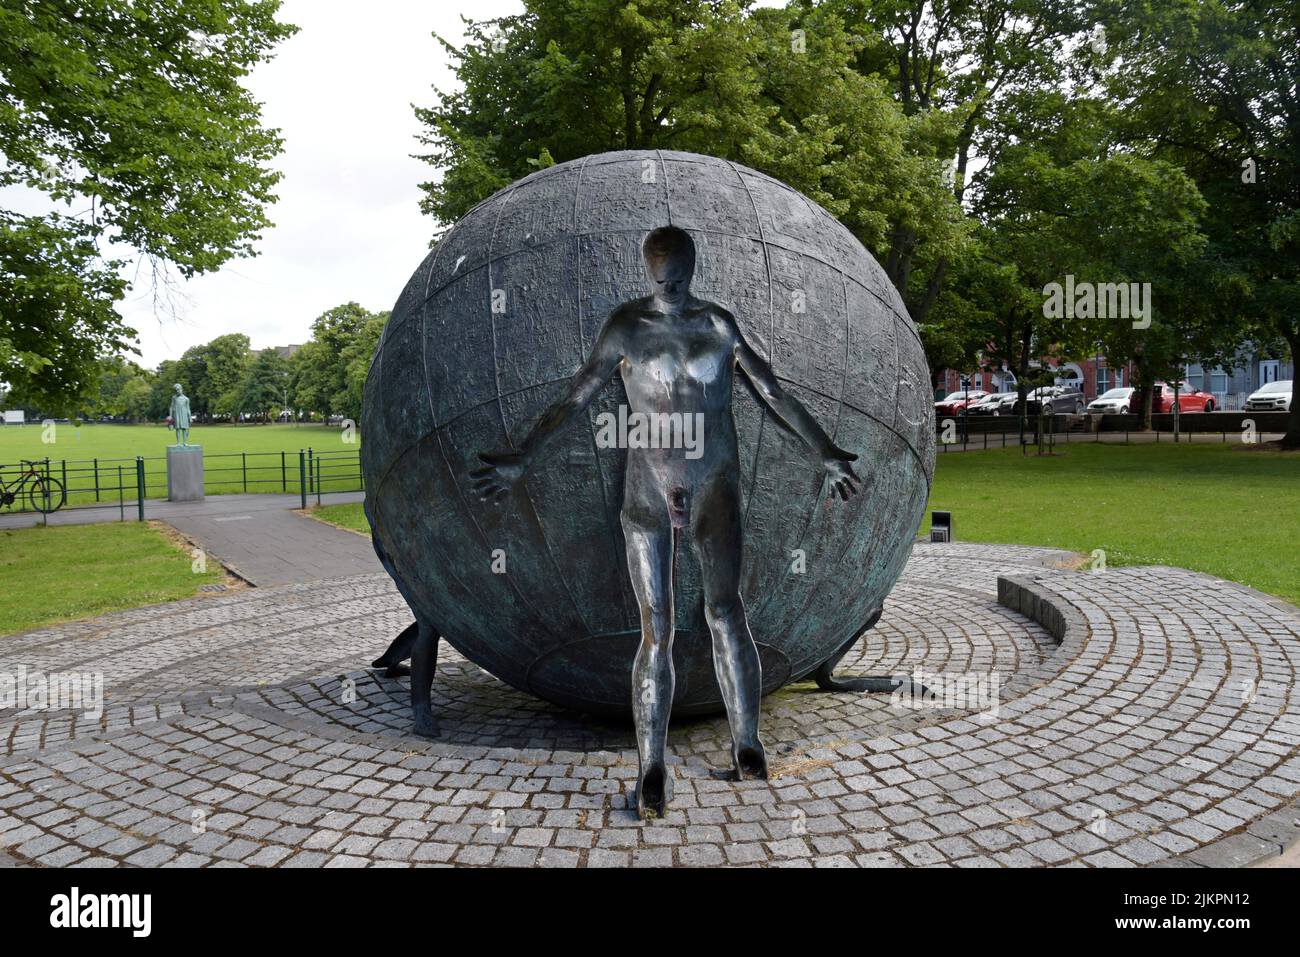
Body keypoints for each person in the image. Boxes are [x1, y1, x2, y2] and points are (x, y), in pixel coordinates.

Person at [472, 226, 861, 818]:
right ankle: (650, 765)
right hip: (648, 489)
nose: (669, 287)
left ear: (692, 268)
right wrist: (525, 454)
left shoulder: (719, 325)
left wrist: (825, 450)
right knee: (657, 626)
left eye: (677, 277)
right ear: (647, 272)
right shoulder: (626, 325)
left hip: (715, 486)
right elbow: (579, 395)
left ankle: (748, 745)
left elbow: (772, 393)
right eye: (660, 278)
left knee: (727, 611)